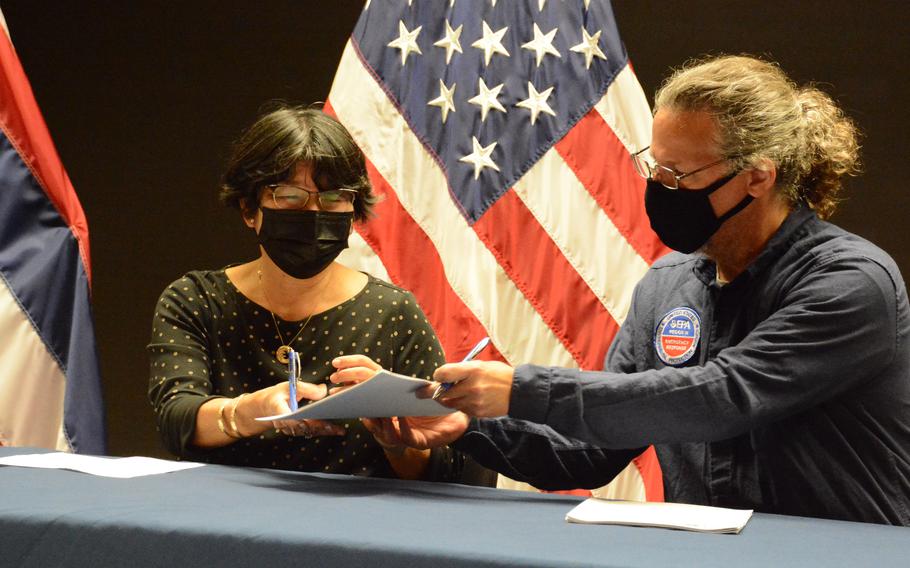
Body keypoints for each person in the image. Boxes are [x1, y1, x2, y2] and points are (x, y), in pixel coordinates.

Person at [351, 55, 910, 525]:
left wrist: (523, 388)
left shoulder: (850, 283)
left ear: (758, 176)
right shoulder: (668, 287)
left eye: (680, 176)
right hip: (707, 559)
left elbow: (721, 399)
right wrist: (468, 425)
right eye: (655, 170)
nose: (661, 190)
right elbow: (589, 453)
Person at [148, 105, 467, 482]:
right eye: (290, 197)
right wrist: (249, 411)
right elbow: (176, 419)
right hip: (226, 517)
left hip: (359, 524)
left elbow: (446, 464)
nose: (314, 212)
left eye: (333, 199)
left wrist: (395, 438)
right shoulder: (195, 301)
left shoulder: (392, 311)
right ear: (249, 209)